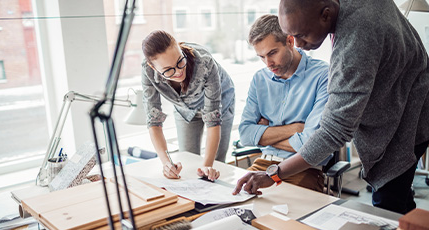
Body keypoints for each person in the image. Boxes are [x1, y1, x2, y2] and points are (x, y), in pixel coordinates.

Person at [233, 0, 429, 215]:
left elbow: (333, 131)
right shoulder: (349, 8)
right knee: (400, 205)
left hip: (408, 119)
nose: (297, 44)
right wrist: (297, 129)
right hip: (409, 96)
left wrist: (274, 173)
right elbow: (246, 133)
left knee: (388, 209)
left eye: (301, 34)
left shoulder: (353, 45)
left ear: (326, 15)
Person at [238, 14, 329, 192]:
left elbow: (311, 145)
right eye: (261, 57)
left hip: (304, 169)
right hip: (262, 164)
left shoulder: (323, 76)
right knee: (235, 208)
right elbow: (245, 135)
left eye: (272, 53)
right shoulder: (260, 79)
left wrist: (265, 135)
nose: (268, 63)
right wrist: (296, 129)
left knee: (284, 218)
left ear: (289, 41)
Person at [141, 30, 235, 181]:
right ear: (153, 68)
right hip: (184, 108)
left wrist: (207, 166)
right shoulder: (147, 71)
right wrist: (166, 164)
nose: (178, 72)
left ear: (179, 48)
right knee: (188, 160)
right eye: (168, 70)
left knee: (214, 166)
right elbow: (154, 122)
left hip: (220, 103)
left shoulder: (205, 62)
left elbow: (213, 123)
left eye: (180, 61)